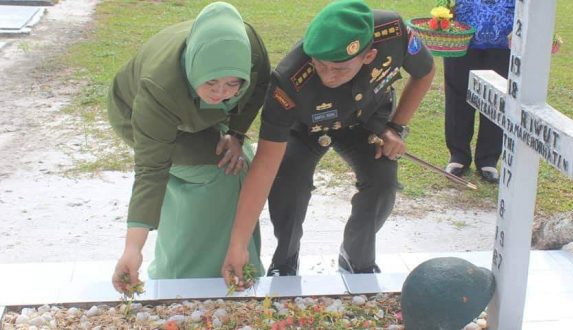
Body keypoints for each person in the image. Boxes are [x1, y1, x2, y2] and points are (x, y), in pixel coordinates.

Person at [222, 0, 435, 283]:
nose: (328, 75)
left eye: (339, 68)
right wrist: (237, 245)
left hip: (366, 120)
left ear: (369, 55)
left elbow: (425, 72)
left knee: (382, 181)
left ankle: (356, 258)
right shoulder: (288, 81)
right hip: (306, 126)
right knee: (288, 184)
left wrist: (396, 127)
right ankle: (285, 261)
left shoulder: (394, 32)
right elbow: (264, 167)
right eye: (320, 65)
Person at [108, 2, 270, 293]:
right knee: (219, 171)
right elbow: (151, 170)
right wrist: (133, 249)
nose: (222, 93)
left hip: (200, 115)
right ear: (194, 67)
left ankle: (242, 261)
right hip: (141, 115)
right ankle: (180, 277)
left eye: (233, 83)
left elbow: (258, 89)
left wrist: (236, 134)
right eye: (212, 83)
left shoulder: (251, 51)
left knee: (241, 159)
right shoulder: (159, 87)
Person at [443, 0, 514, 183]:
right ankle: (458, 155)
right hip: (461, 34)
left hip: (504, 38)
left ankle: (488, 159)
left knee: (497, 98)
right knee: (457, 94)